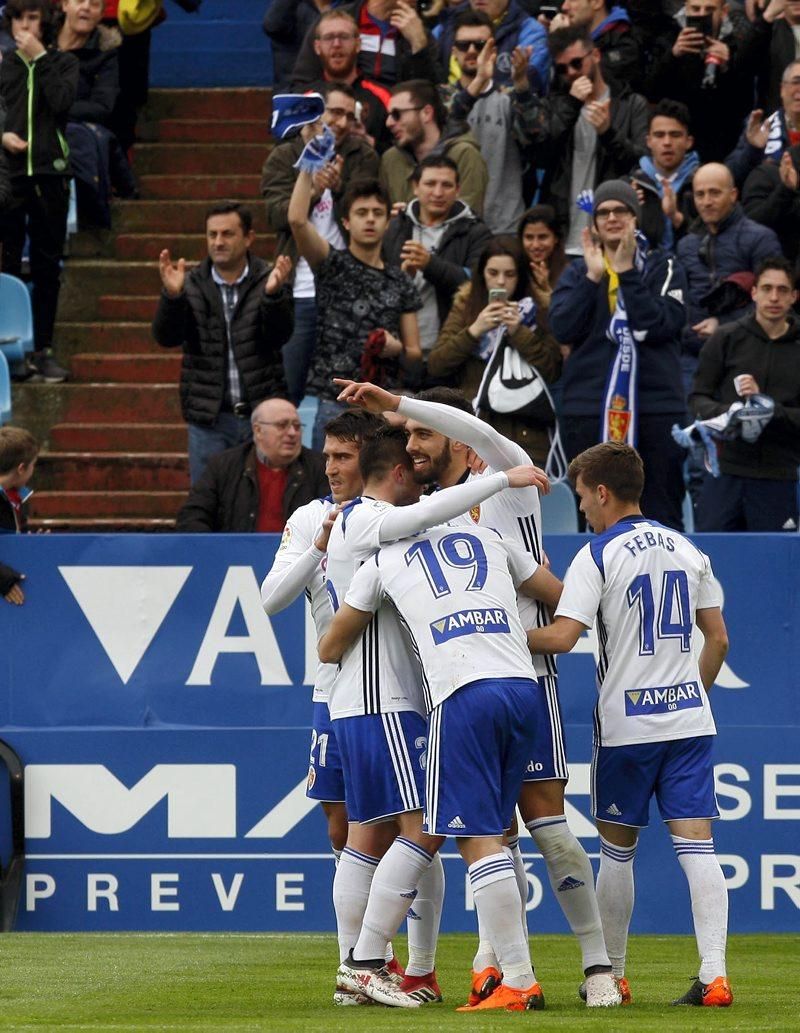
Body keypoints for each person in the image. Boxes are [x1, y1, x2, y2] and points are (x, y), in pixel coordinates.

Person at [333, 379, 623, 1008]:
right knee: (479, 831)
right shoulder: (428, 515)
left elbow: (552, 588)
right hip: (495, 677)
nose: (412, 444)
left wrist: (393, 402)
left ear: (463, 447)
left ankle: (598, 967)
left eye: (424, 434)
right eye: (407, 437)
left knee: (543, 827)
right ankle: (490, 963)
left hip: (518, 677)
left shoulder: (505, 481)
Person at [317, 424, 548, 1008]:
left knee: (434, 835)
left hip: (443, 694)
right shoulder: (481, 536)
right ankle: (486, 974)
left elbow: (329, 643)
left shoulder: (384, 557)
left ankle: (377, 964)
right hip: (500, 687)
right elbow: (559, 593)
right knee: (469, 831)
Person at [528, 441, 733, 1010]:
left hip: (628, 725)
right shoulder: (687, 547)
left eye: (583, 499)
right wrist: (690, 692)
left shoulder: (598, 554)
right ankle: (714, 975)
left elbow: (563, 636)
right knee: (698, 847)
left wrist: (496, 637)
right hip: (689, 718)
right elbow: (717, 637)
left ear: (601, 492)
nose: (583, 512)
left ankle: (613, 974)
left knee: (618, 850)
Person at [260, 408, 398, 1005]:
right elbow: (271, 600)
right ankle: (358, 966)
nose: (332, 467)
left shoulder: (398, 514)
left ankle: (410, 963)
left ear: (369, 458)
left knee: (406, 828)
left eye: (344, 456)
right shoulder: (310, 517)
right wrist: (319, 548)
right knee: (343, 827)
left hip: (397, 691)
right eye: (329, 455)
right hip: (332, 690)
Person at [549, 180, 689, 530]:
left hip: (654, 406)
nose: (612, 217)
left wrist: (627, 273)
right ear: (594, 222)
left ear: (635, 217)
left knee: (660, 508)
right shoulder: (580, 271)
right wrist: (594, 277)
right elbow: (563, 328)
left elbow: (658, 324)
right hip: (588, 406)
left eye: (621, 210)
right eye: (603, 212)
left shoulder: (662, 266)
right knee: (593, 513)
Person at [152, 201, 293, 485]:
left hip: (262, 416)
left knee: (265, 501)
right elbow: (166, 337)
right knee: (208, 502)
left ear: (248, 237)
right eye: (212, 234)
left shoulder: (269, 279)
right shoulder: (189, 283)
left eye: (227, 234)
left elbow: (280, 336)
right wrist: (173, 297)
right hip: (209, 419)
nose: (218, 242)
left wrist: (273, 297)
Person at [287, 155, 422, 448]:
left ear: (388, 222)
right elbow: (297, 220)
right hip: (334, 401)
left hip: (382, 404)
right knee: (333, 487)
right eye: (362, 212)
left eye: (377, 212)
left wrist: (396, 347)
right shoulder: (330, 264)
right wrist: (308, 165)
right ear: (346, 221)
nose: (370, 218)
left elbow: (414, 353)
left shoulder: (401, 281)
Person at [261, 82, 380, 404]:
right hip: (300, 289)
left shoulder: (361, 154)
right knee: (290, 386)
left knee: (351, 390)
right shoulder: (283, 157)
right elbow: (274, 215)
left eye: (348, 115)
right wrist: (311, 192)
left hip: (350, 287)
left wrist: (340, 189)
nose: (341, 122)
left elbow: (372, 211)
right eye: (334, 113)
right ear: (315, 112)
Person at [428, 236, 562, 464]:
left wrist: (519, 332)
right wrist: (474, 330)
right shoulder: (466, 306)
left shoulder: (539, 309)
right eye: (493, 273)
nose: (501, 282)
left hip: (527, 429)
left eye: (509, 275)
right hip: (478, 424)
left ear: (521, 277)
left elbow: (552, 368)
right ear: (482, 275)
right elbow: (436, 364)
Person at [689, 256, 800, 531]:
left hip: (779, 476)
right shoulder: (725, 338)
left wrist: (771, 410)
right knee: (711, 565)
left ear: (794, 297)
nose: (774, 297)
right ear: (754, 293)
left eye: (782, 290)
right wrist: (731, 414)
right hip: (724, 473)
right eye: (766, 288)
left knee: (772, 567)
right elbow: (697, 399)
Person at [0, 0, 78, 384]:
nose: (26, 26)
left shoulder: (63, 63)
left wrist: (41, 58)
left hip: (51, 174)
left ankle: (42, 349)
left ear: (45, 22)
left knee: (48, 266)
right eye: (19, 18)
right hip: (8, 176)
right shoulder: (3, 65)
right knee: (8, 262)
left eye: (33, 18)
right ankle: (9, 349)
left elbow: (63, 102)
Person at [518, 26, 648, 254]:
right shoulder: (557, 104)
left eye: (577, 63)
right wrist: (571, 105)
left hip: (611, 237)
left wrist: (608, 133)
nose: (571, 72)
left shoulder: (631, 104)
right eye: (562, 68)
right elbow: (540, 155)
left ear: (596, 55)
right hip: (562, 237)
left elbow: (642, 163)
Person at [677, 162, 781, 394]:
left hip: (745, 357)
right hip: (692, 360)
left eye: (715, 192)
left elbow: (774, 301)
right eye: (700, 194)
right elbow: (678, 302)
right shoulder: (686, 246)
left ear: (733, 195)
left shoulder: (760, 239)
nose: (706, 201)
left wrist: (723, 325)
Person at [382, 154, 492, 356]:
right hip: (399, 348)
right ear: (415, 186)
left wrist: (430, 264)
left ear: (458, 190)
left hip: (449, 348)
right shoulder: (395, 225)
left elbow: (477, 286)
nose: (438, 192)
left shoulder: (476, 231)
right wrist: (404, 277)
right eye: (430, 184)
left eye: (447, 185)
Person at [174, 398, 328, 532]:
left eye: (297, 426)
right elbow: (192, 517)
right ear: (258, 430)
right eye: (282, 425)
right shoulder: (224, 466)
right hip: (237, 560)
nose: (292, 433)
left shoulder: (320, 468)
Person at [442, 11, 530, 234]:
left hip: (505, 226)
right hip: (450, 227)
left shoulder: (509, 96)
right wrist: (479, 80)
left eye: (480, 45)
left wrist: (522, 85)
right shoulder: (440, 98)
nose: (471, 51)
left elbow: (537, 137)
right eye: (463, 45)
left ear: (493, 51)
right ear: (453, 52)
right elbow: (445, 131)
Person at [641, 0, 759, 163]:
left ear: (724, 11)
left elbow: (744, 105)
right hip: (678, 147)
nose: (702, 14)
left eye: (709, 9)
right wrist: (673, 56)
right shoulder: (669, 37)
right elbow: (650, 92)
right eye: (695, 9)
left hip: (723, 147)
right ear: (685, 8)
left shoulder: (736, 44)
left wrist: (728, 67)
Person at [56, 0, 136, 229]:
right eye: (79, 1)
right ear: (64, 5)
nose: (86, 8)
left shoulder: (106, 54)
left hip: (74, 134)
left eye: (94, 4)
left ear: (102, 13)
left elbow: (102, 108)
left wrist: (51, 108)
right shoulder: (40, 43)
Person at [380, 78, 489, 215]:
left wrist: (411, 216)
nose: (389, 123)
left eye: (397, 114)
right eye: (388, 115)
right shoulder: (391, 159)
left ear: (427, 113)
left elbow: (469, 219)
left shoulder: (465, 154)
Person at [291, 0, 443, 90]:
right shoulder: (335, 23)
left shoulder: (420, 32)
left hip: (394, 127)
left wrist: (419, 46)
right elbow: (303, 83)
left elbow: (431, 92)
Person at [299, 9, 394, 152]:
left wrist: (368, 141)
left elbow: (402, 152)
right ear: (317, 47)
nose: (336, 44)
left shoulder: (384, 97)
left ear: (358, 44)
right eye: (329, 37)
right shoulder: (304, 99)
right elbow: (286, 149)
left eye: (344, 37)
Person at [432, 0, 550, 93]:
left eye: (479, 44)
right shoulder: (446, 25)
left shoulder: (530, 30)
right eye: (463, 45)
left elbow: (532, 82)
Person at [629, 99, 700, 251]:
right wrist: (627, 211)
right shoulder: (630, 185)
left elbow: (715, 238)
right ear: (648, 141)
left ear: (688, 141)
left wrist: (676, 218)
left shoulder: (704, 182)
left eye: (675, 135)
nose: (667, 142)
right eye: (659, 135)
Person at [725, 60, 800, 188]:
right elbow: (729, 178)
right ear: (782, 89)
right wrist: (753, 149)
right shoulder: (762, 127)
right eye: (796, 82)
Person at [552, 0, 641, 86]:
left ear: (597, 2)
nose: (564, 6)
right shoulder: (578, 35)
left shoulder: (624, 45)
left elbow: (591, 87)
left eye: (573, 0)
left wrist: (564, 40)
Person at [263, 0, 344, 91]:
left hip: (342, 91)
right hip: (294, 92)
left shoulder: (350, 6)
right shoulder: (292, 8)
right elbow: (272, 26)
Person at [0, 425, 38, 606]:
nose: (34, 469)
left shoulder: (17, 497)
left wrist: (31, 543)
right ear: (22, 468)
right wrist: (3, 579)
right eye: (33, 465)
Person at [517, 204, 567, 316]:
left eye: (542, 237)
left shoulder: (571, 274)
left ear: (556, 238)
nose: (535, 245)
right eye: (529, 237)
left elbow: (568, 319)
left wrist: (546, 289)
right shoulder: (513, 268)